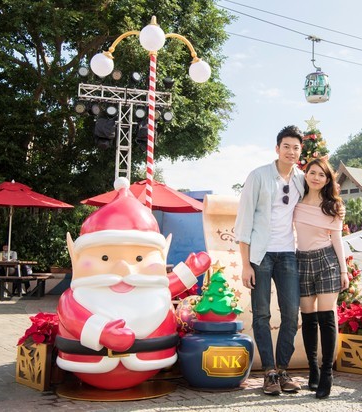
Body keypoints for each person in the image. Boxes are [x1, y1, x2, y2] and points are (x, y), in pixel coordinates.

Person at [56, 178, 210, 390]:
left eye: (139, 259)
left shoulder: (153, 287)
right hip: (90, 362)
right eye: (105, 258)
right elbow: (72, 318)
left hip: (151, 356)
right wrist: (101, 333)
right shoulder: (75, 297)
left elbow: (167, 285)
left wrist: (191, 270)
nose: (123, 269)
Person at [235, 125, 306, 395]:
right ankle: (269, 373)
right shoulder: (258, 176)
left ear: (300, 151)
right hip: (261, 254)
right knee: (262, 314)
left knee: (291, 314)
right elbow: (244, 221)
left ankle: (284, 370)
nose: (291, 151)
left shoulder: (301, 178)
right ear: (277, 148)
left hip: (288, 253)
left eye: (296, 147)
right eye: (286, 146)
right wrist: (245, 264)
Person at [293, 158, 348, 399]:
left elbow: (337, 240)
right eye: (312, 172)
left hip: (327, 262)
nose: (316, 177)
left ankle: (327, 373)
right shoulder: (295, 201)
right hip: (301, 261)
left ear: (327, 180)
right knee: (307, 317)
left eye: (321, 175)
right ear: (306, 174)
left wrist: (344, 271)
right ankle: (312, 369)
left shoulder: (332, 206)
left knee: (327, 317)